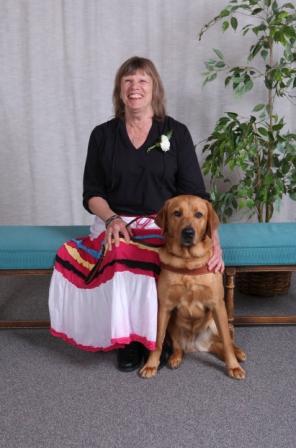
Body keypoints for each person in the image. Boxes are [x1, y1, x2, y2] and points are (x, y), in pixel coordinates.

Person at [48, 56, 224, 372]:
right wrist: (112, 219)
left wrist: (215, 241)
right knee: (121, 251)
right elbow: (92, 193)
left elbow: (197, 196)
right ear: (120, 89)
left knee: (166, 251)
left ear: (154, 88)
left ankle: (162, 335)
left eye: (143, 80)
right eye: (128, 81)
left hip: (164, 222)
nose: (135, 87)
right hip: (115, 219)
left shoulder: (176, 132)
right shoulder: (101, 135)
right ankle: (130, 340)